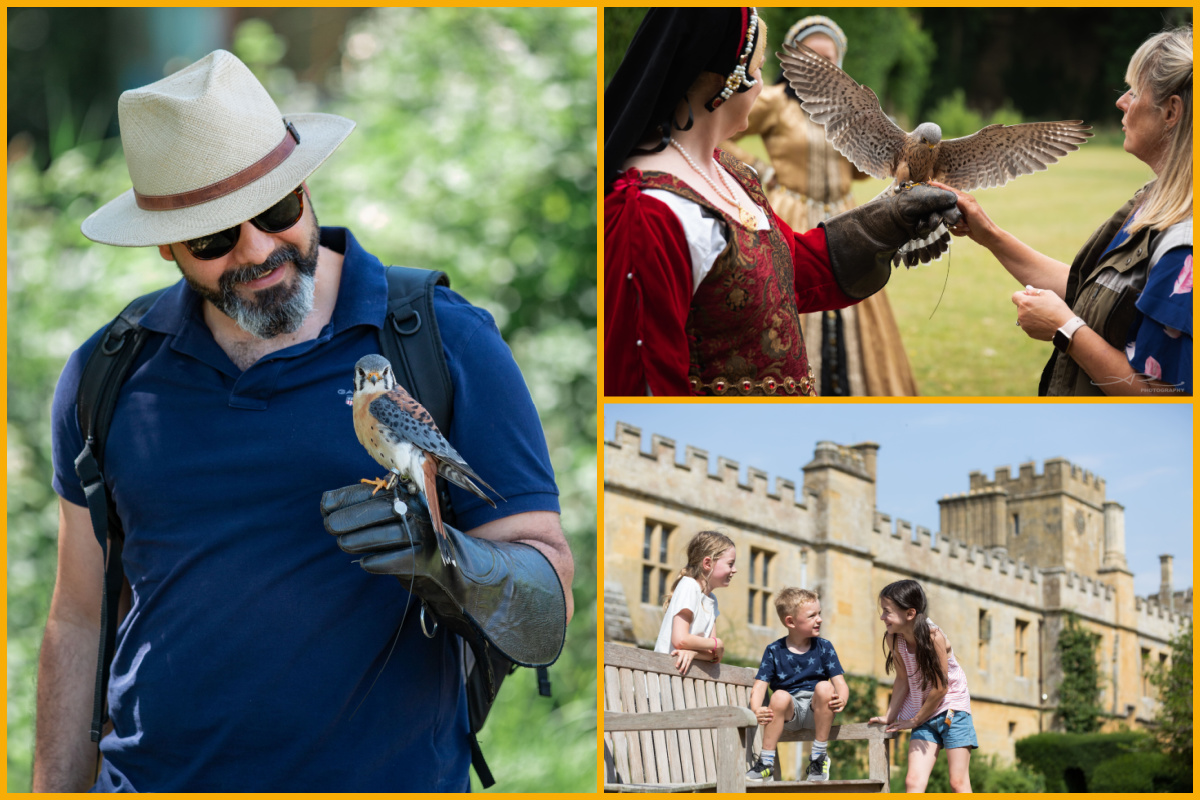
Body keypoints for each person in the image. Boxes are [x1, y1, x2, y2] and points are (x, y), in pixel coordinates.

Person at [37, 50, 574, 792]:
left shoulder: (440, 341)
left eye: (276, 210)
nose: (258, 250)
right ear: (166, 246)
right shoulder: (107, 376)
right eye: (213, 238)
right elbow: (78, 617)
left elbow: (548, 603)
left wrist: (447, 560)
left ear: (305, 184)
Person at [604, 7, 960, 396]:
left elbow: (786, 271)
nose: (762, 85)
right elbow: (643, 386)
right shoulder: (649, 209)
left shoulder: (730, 175)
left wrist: (886, 221)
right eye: (756, 71)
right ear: (726, 84)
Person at [946, 26, 1192, 395]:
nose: (1121, 102)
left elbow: (1162, 398)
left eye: (1135, 92)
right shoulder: (1153, 202)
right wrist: (989, 235)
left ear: (1172, 111)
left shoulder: (1184, 244)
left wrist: (1066, 330)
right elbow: (1091, 290)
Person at [723, 16, 919, 396]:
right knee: (788, 298)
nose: (820, 66)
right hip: (792, 214)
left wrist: (885, 153)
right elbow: (720, 132)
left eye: (828, 59)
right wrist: (759, 170)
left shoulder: (850, 110)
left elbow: (858, 173)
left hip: (847, 216)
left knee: (856, 302)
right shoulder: (774, 102)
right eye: (811, 56)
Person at [870, 580, 976, 793]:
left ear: (909, 613)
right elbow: (902, 679)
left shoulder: (933, 636)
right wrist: (890, 716)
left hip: (951, 709)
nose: (882, 617)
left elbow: (941, 688)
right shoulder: (894, 638)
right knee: (913, 782)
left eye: (887, 612)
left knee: (958, 782)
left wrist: (915, 720)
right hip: (924, 711)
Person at [745, 587, 849, 783]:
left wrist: (842, 698)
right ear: (790, 622)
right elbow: (760, 686)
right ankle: (766, 763)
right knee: (779, 695)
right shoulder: (774, 650)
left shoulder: (824, 647)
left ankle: (819, 757)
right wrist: (756, 709)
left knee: (825, 687)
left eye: (819, 613)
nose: (819, 619)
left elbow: (840, 683)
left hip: (817, 712)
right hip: (787, 716)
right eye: (812, 616)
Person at [652, 531, 736, 674]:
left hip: (679, 684)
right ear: (707, 563)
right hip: (661, 682)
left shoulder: (711, 600)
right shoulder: (689, 586)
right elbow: (680, 639)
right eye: (730, 564)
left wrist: (695, 653)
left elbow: (713, 655)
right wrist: (718, 643)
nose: (734, 570)